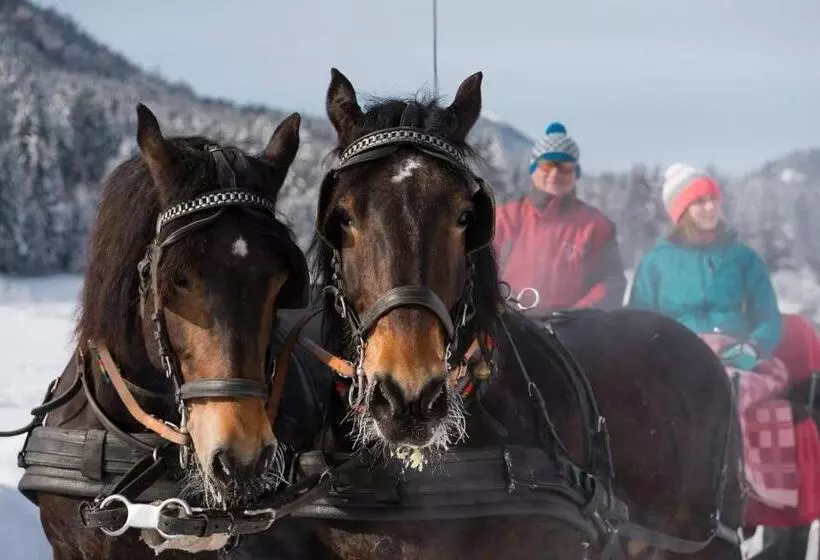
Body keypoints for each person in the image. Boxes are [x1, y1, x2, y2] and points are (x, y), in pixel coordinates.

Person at [628, 163, 783, 369]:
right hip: (677, 358)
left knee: (737, 391)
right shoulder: (656, 263)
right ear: (681, 211)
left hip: (735, 357)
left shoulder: (742, 257)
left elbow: (768, 317)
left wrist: (753, 347)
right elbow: (638, 322)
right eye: (699, 202)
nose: (710, 208)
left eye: (713, 199)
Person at [493, 122, 626, 313]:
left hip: (569, 333)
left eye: (565, 166)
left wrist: (575, 316)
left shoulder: (596, 226)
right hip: (508, 325)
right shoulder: (503, 218)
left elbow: (611, 283)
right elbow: (478, 273)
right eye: (547, 165)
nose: (555, 174)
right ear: (533, 169)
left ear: (576, 173)